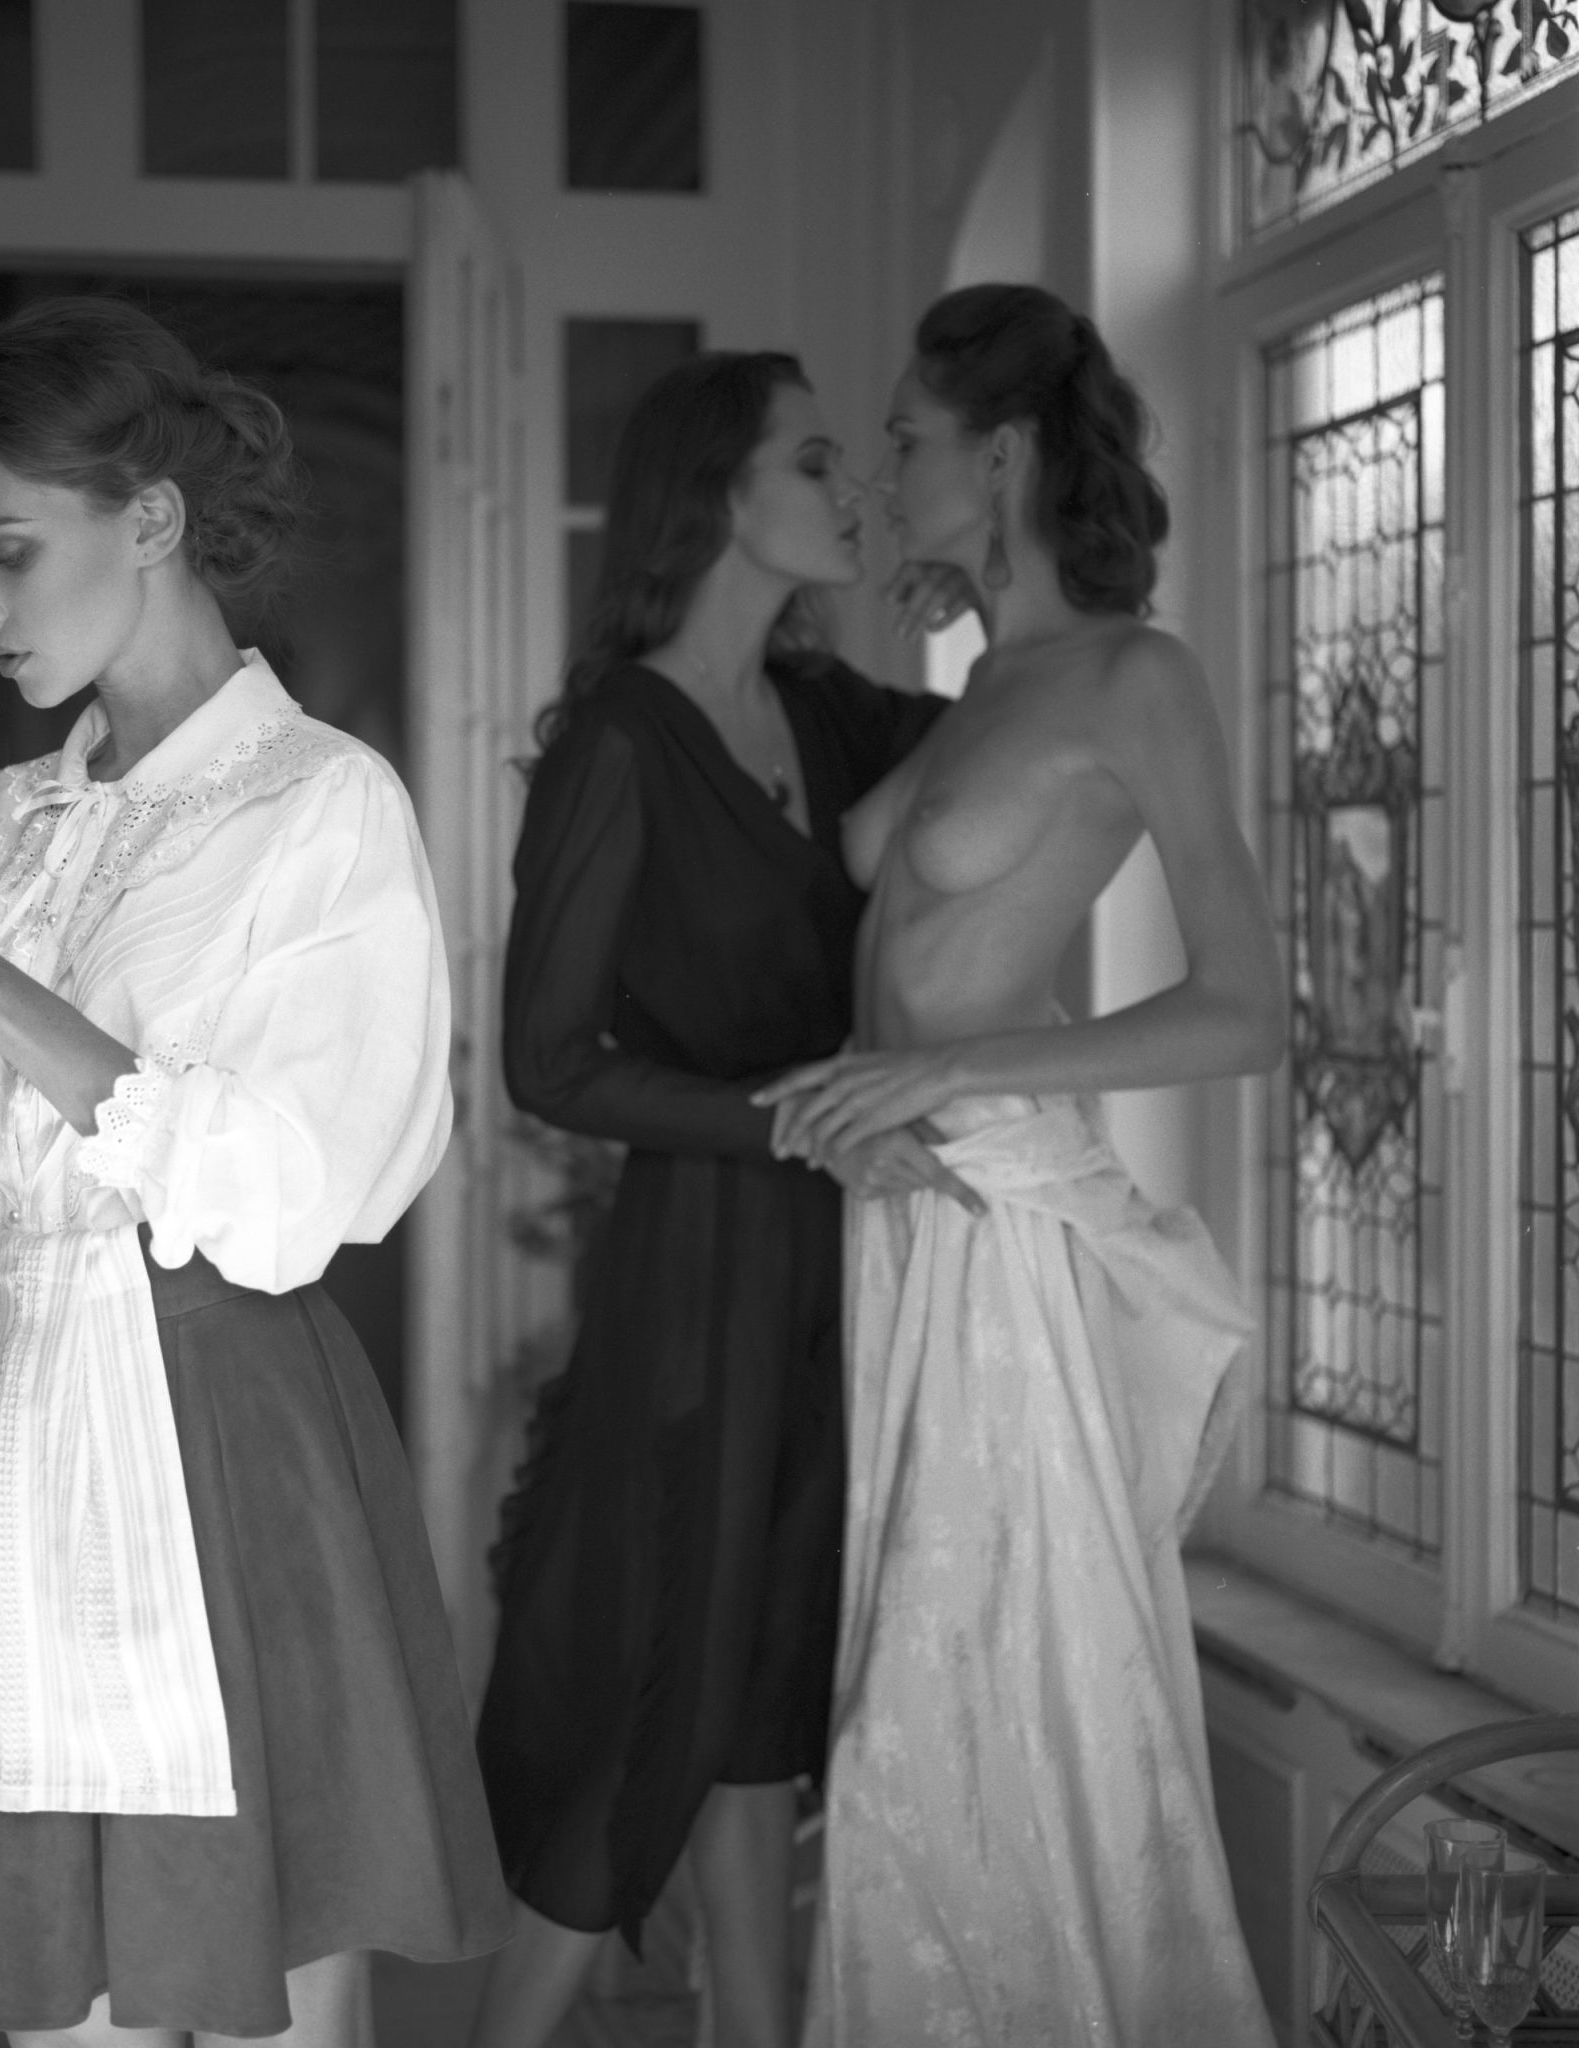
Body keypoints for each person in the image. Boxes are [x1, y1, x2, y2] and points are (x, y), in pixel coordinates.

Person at [0, 297, 509, 2048]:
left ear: (153, 519)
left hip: (222, 1414)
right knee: (68, 1997)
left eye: (8, 550)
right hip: (24, 1406)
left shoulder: (322, 806)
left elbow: (298, 1194)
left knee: (270, 1962)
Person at [754, 283, 1284, 2046]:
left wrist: (952, 1066)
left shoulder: (1141, 677)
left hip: (1000, 1221)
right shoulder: (986, 678)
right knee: (913, 1696)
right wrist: (951, 617)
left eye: (906, 437)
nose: (881, 466)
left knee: (982, 1700)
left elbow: (1246, 1011)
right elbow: (895, 895)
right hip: (900, 1219)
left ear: (1002, 456)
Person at [468, 351, 973, 2048]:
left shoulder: (836, 715)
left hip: (849, 1268)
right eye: (816, 460)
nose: (853, 490)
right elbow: (549, 1063)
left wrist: (985, 589)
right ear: (718, 494)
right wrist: (796, 1124)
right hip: (695, 1280)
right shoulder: (619, 743)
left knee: (763, 1708)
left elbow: (1032, 736)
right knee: (647, 1696)